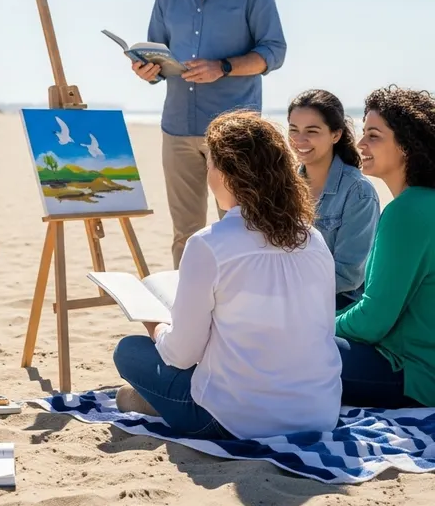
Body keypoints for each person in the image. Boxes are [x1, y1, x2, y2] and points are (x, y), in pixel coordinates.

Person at [114, 110, 342, 439]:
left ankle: (147, 402)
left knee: (129, 350)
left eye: (210, 163)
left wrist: (154, 325)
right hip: (319, 413)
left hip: (236, 420)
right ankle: (150, 401)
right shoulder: (313, 238)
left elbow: (182, 355)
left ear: (227, 175)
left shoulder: (209, 244)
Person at [133, 0, 287, 268]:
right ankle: (188, 315)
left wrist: (224, 67)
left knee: (239, 230)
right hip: (177, 129)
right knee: (185, 234)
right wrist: (147, 70)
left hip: (233, 133)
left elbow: (275, 51)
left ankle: (237, 317)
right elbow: (156, 52)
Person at [335, 86, 435, 409]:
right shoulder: (424, 203)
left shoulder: (407, 212)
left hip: (413, 375)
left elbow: (372, 321)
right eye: (363, 133)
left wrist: (317, 322)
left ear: (406, 145)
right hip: (417, 365)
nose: (360, 144)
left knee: (288, 347)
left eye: (373, 136)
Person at [288, 89, 380, 310]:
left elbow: (349, 275)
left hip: (339, 305)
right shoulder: (285, 184)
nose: (300, 140)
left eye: (312, 131)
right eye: (293, 129)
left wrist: (285, 288)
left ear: (335, 135)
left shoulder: (358, 192)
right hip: (290, 297)